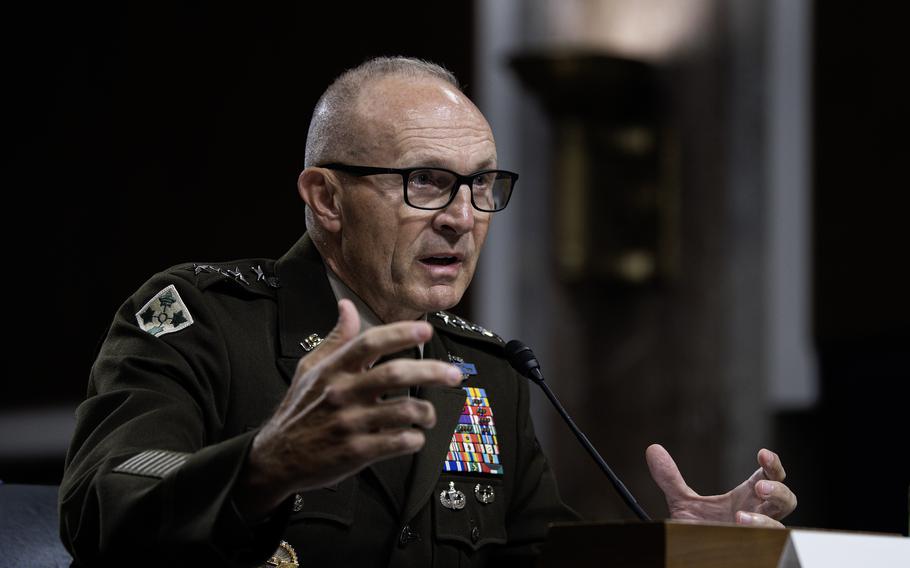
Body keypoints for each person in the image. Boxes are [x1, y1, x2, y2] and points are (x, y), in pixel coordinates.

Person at [59, 56, 797, 567]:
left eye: (481, 186)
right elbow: (103, 503)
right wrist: (263, 468)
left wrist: (676, 552)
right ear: (325, 198)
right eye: (426, 182)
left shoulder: (489, 372)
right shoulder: (206, 321)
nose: (463, 217)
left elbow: (536, 560)